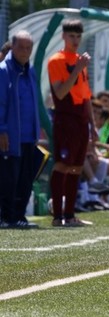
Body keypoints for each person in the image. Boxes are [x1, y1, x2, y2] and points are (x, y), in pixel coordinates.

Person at [48, 19, 104, 227]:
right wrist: (77, 68)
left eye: (78, 36)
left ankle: (70, 215)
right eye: (71, 35)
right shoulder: (57, 60)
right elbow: (61, 93)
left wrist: (92, 125)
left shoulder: (81, 61)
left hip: (81, 120)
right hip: (65, 119)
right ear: (63, 36)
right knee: (63, 165)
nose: (75, 40)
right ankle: (57, 217)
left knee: (77, 168)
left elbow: (86, 96)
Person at [0, 31, 40, 228]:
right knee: (9, 179)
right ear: (12, 47)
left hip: (28, 136)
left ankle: (19, 216)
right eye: (21, 47)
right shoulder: (3, 70)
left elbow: (34, 102)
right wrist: (1, 129)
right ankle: (6, 217)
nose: (25, 52)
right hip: (10, 136)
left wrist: (37, 129)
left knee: (25, 179)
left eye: (28, 48)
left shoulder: (30, 70)